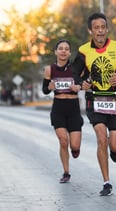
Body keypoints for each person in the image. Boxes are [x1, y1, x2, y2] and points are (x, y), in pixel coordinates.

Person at [72, 12, 116, 196]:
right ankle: (106, 182)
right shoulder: (84, 51)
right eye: (96, 28)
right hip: (95, 100)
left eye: (103, 27)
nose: (100, 31)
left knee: (114, 145)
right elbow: (75, 72)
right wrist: (82, 82)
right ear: (90, 30)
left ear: (107, 29)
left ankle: (115, 151)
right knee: (101, 138)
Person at [42, 39, 83, 183]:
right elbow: (45, 90)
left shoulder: (76, 69)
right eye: (61, 48)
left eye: (66, 48)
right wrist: (49, 87)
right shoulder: (49, 69)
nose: (63, 51)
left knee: (75, 146)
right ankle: (66, 172)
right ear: (56, 51)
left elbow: (84, 84)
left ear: (70, 52)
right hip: (58, 107)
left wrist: (79, 87)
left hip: (73, 108)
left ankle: (75, 149)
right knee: (63, 141)